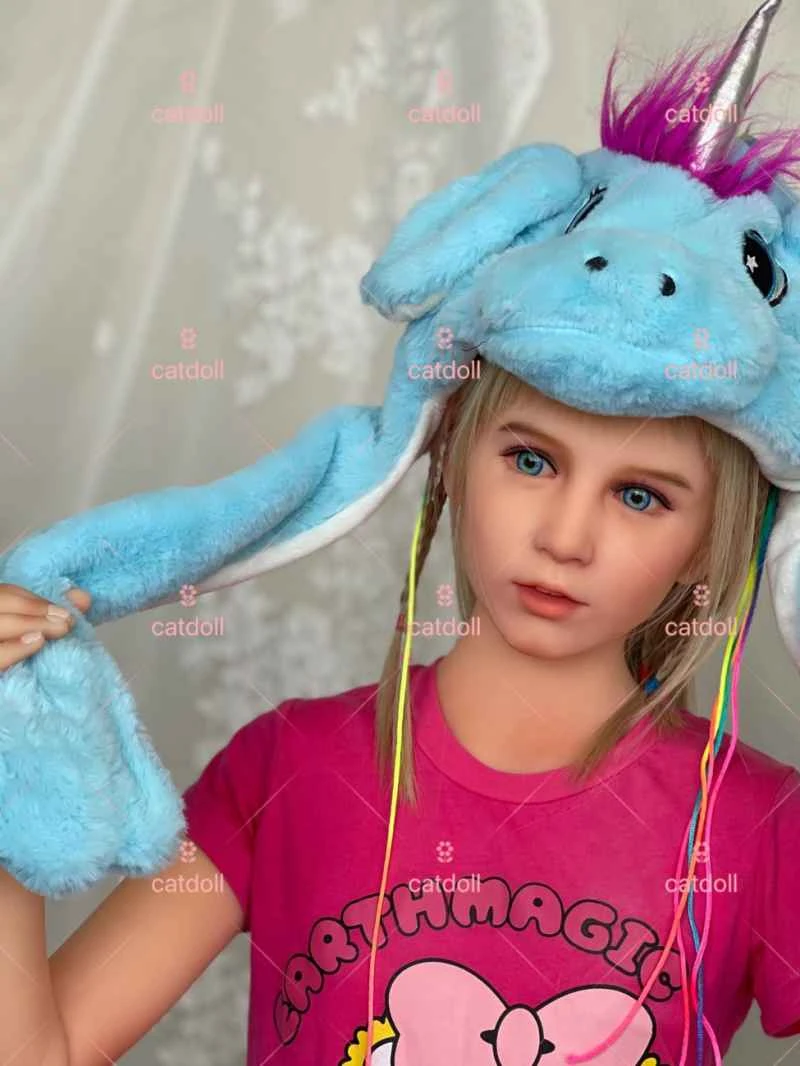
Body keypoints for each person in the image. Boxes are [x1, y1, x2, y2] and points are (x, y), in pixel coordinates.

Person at [1, 361, 799, 1066]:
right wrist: (13, 749)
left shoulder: (760, 824)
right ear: (450, 452)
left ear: (709, 540)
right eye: (531, 460)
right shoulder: (290, 766)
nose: (566, 538)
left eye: (639, 496)